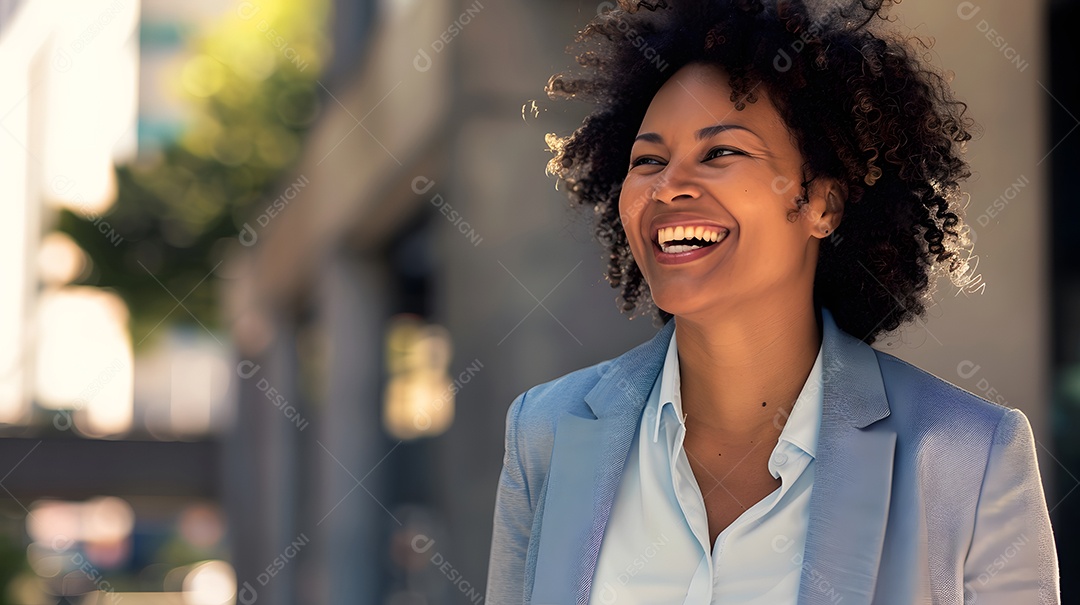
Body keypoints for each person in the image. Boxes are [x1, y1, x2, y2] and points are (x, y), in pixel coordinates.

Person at [486, 0, 1061, 603]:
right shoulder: (546, 433)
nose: (667, 186)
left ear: (822, 205)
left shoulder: (969, 457)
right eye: (648, 160)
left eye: (720, 153)